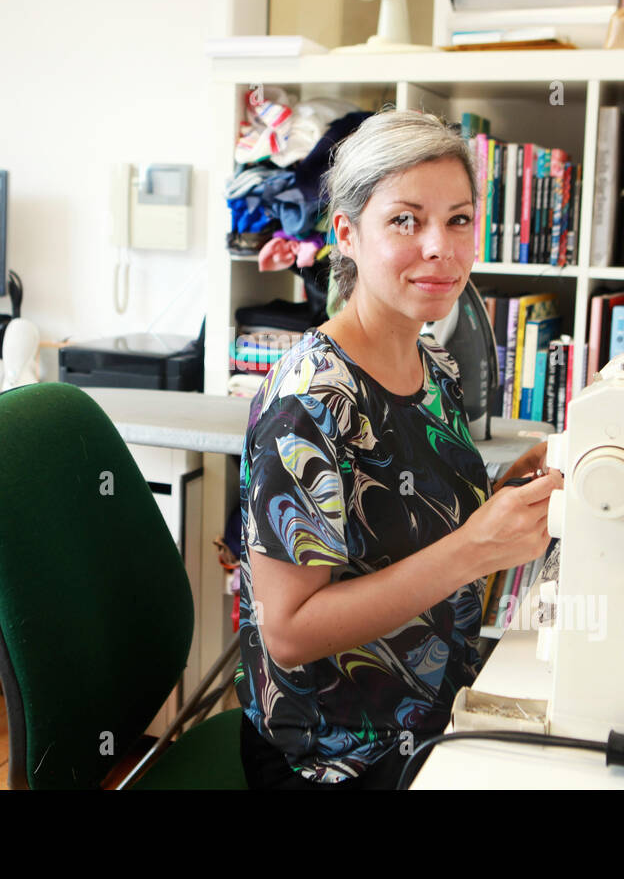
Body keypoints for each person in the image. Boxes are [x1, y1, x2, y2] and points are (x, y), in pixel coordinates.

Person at [234, 109, 563, 789]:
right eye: (406, 220)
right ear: (348, 234)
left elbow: (404, 528)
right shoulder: (311, 401)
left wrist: (504, 501)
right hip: (339, 752)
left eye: (459, 219)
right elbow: (289, 633)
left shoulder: (431, 361)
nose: (440, 246)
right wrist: (476, 548)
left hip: (435, 708)